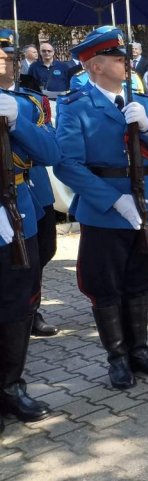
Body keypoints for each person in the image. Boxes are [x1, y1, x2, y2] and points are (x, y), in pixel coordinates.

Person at [54, 27, 148, 390]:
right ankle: (117, 358)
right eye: (117, 58)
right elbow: (67, 164)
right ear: (95, 66)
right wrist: (113, 199)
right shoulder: (75, 106)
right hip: (105, 210)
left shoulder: (145, 104)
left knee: (141, 278)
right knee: (105, 285)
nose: (126, 62)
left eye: (125, 57)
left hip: (147, 203)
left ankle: (140, 350)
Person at [0, 58, 60, 428]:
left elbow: (51, 153)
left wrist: (18, 121)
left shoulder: (27, 103)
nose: (2, 58)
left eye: (6, 53)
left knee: (18, 304)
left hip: (18, 210)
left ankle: (11, 387)